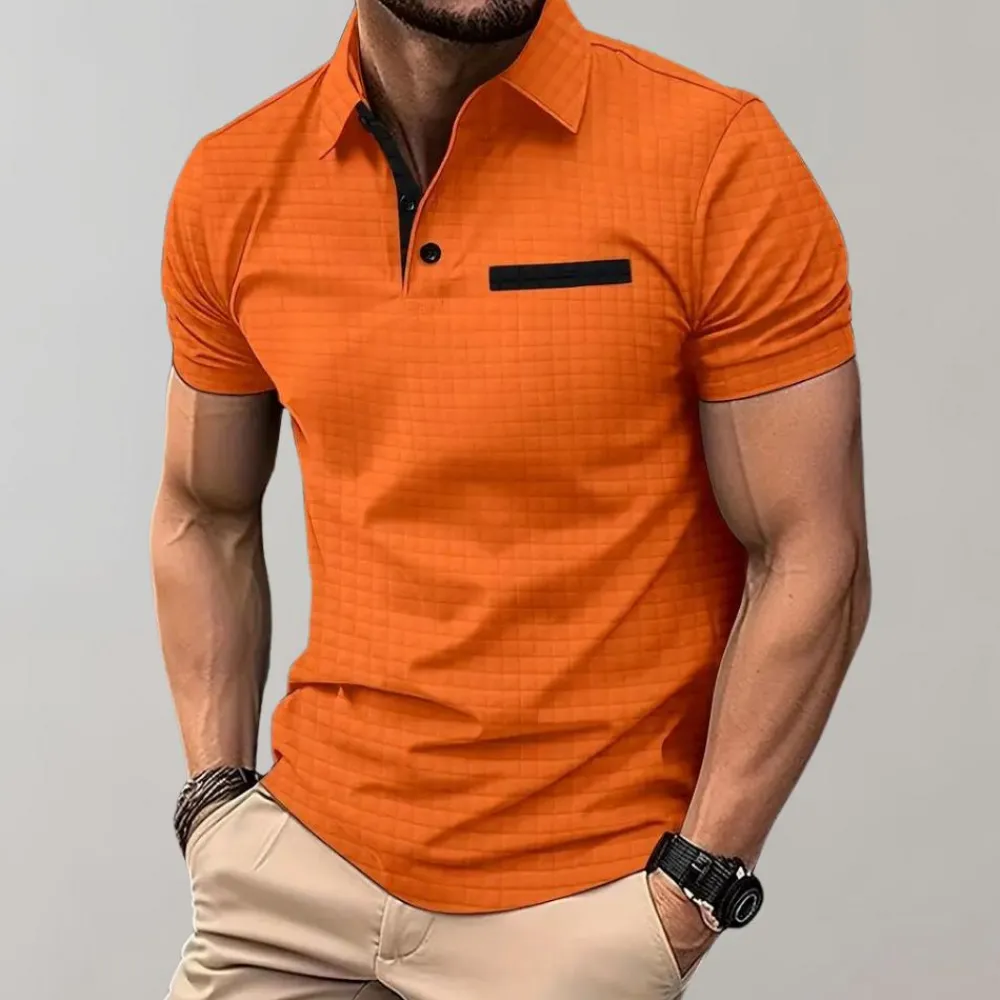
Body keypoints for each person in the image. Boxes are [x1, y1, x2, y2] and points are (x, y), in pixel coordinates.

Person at [152, 0, 872, 997]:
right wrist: (216, 802)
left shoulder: (712, 158)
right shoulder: (235, 180)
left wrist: (694, 886)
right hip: (295, 884)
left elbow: (813, 551)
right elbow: (203, 509)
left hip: (574, 912)